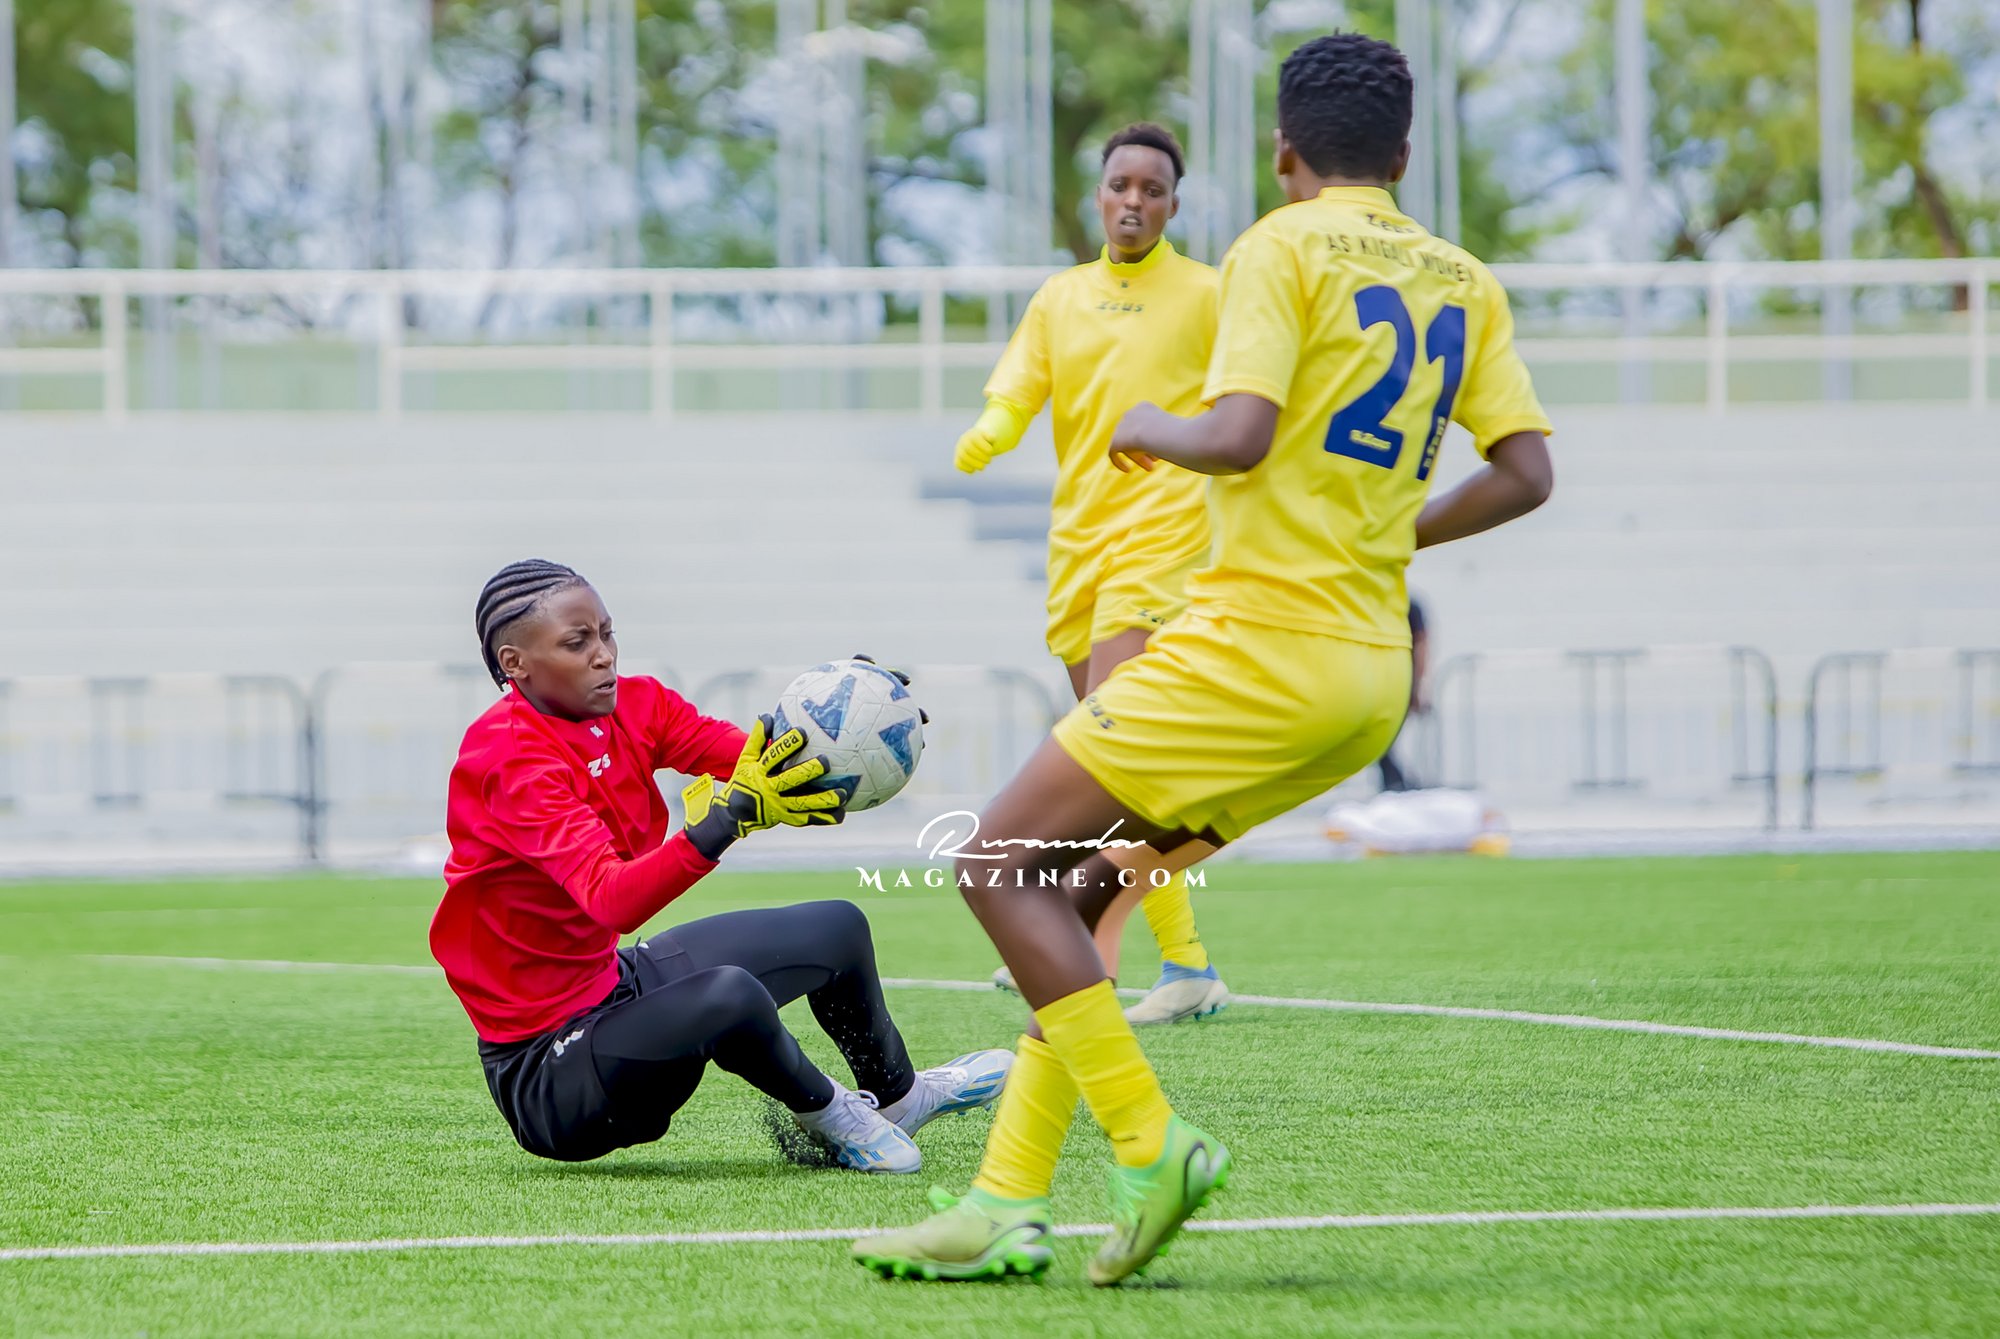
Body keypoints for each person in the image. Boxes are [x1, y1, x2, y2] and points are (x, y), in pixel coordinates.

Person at [854, 31, 1553, 1285]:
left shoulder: (1276, 247)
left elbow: (1236, 436)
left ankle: (1149, 1145)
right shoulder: (1464, 277)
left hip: (1254, 651)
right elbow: (1525, 473)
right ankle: (1004, 1201)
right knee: (1078, 898)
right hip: (1364, 679)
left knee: (994, 866)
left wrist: (1143, 423)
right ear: (1400, 156)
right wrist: (1392, 534)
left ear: (1283, 154)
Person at [431, 558, 1012, 1172]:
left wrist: (853, 717)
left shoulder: (638, 704)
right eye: (577, 643)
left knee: (838, 928)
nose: (603, 655)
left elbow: (761, 764)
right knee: (729, 994)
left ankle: (898, 1098)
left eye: (606, 633)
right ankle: (834, 1116)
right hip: (549, 1070)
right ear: (515, 663)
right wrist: (721, 825)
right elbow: (613, 900)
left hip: (610, 984)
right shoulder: (507, 756)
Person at [955, 122, 1230, 1027]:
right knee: (1118, 767)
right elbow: (1019, 387)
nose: (1134, 201)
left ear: (1174, 204)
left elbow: (1252, 397)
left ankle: (1083, 935)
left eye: (1152, 188)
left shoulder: (1209, 293)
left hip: (1168, 537)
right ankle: (1185, 962)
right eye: (1120, 185)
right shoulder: (1061, 296)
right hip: (1079, 546)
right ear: (1099, 195)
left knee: (1109, 749)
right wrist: (994, 427)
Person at [1375, 595, 1428, 791]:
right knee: (1382, 742)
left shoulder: (1409, 605)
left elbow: (1422, 646)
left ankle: (1397, 783)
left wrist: (1418, 688)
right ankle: (1398, 783)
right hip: (1386, 682)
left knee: (1383, 741)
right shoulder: (1385, 603)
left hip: (1401, 683)